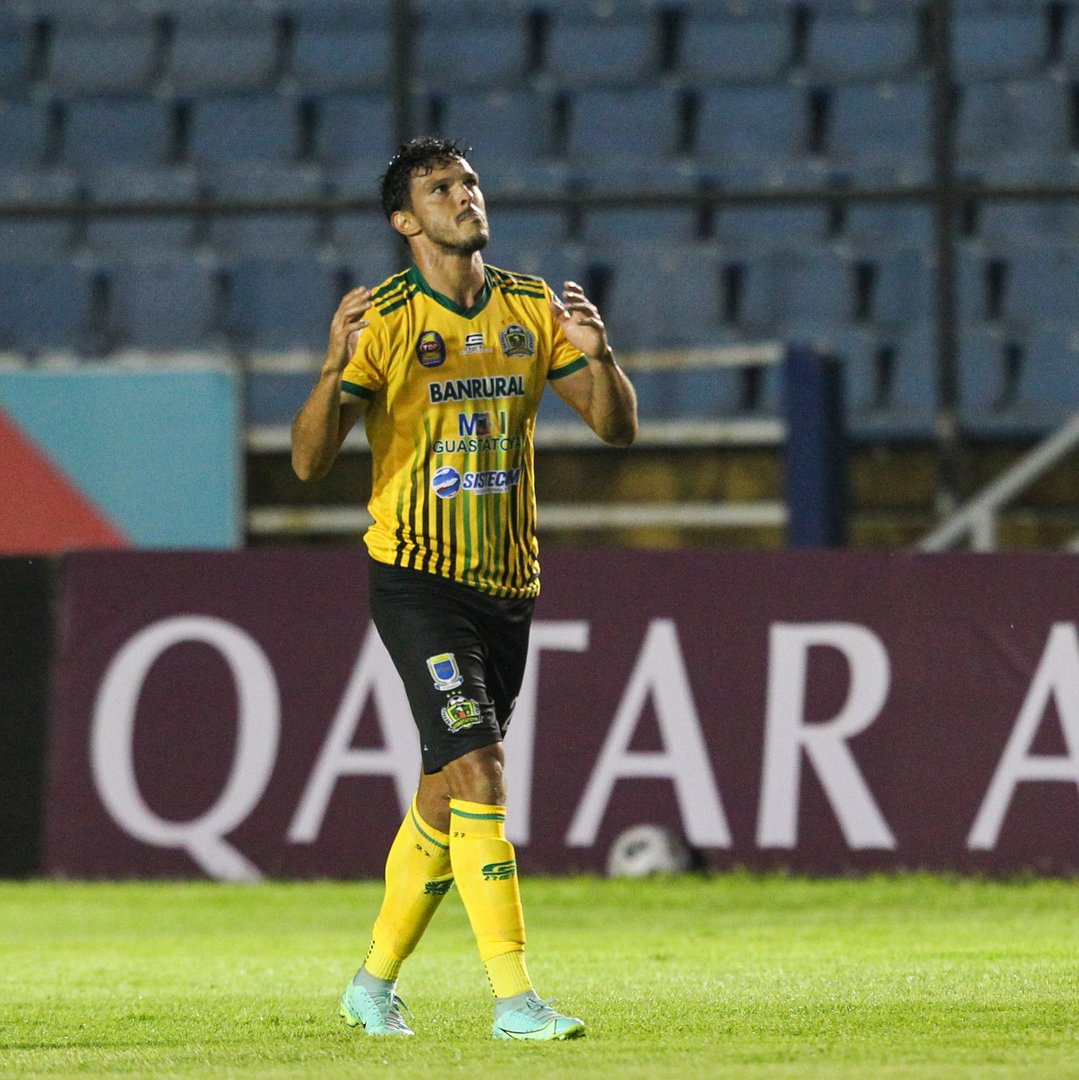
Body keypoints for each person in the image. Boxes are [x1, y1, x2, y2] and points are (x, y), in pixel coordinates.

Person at [289, 136, 637, 1041]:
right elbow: (308, 461)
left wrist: (599, 356)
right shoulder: (390, 320)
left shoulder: (527, 305)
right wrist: (332, 369)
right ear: (406, 220)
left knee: (448, 791)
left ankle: (371, 983)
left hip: (507, 583)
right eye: (441, 188)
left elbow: (615, 428)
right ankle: (515, 1000)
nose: (464, 196)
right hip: (416, 577)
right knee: (482, 768)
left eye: (471, 181)